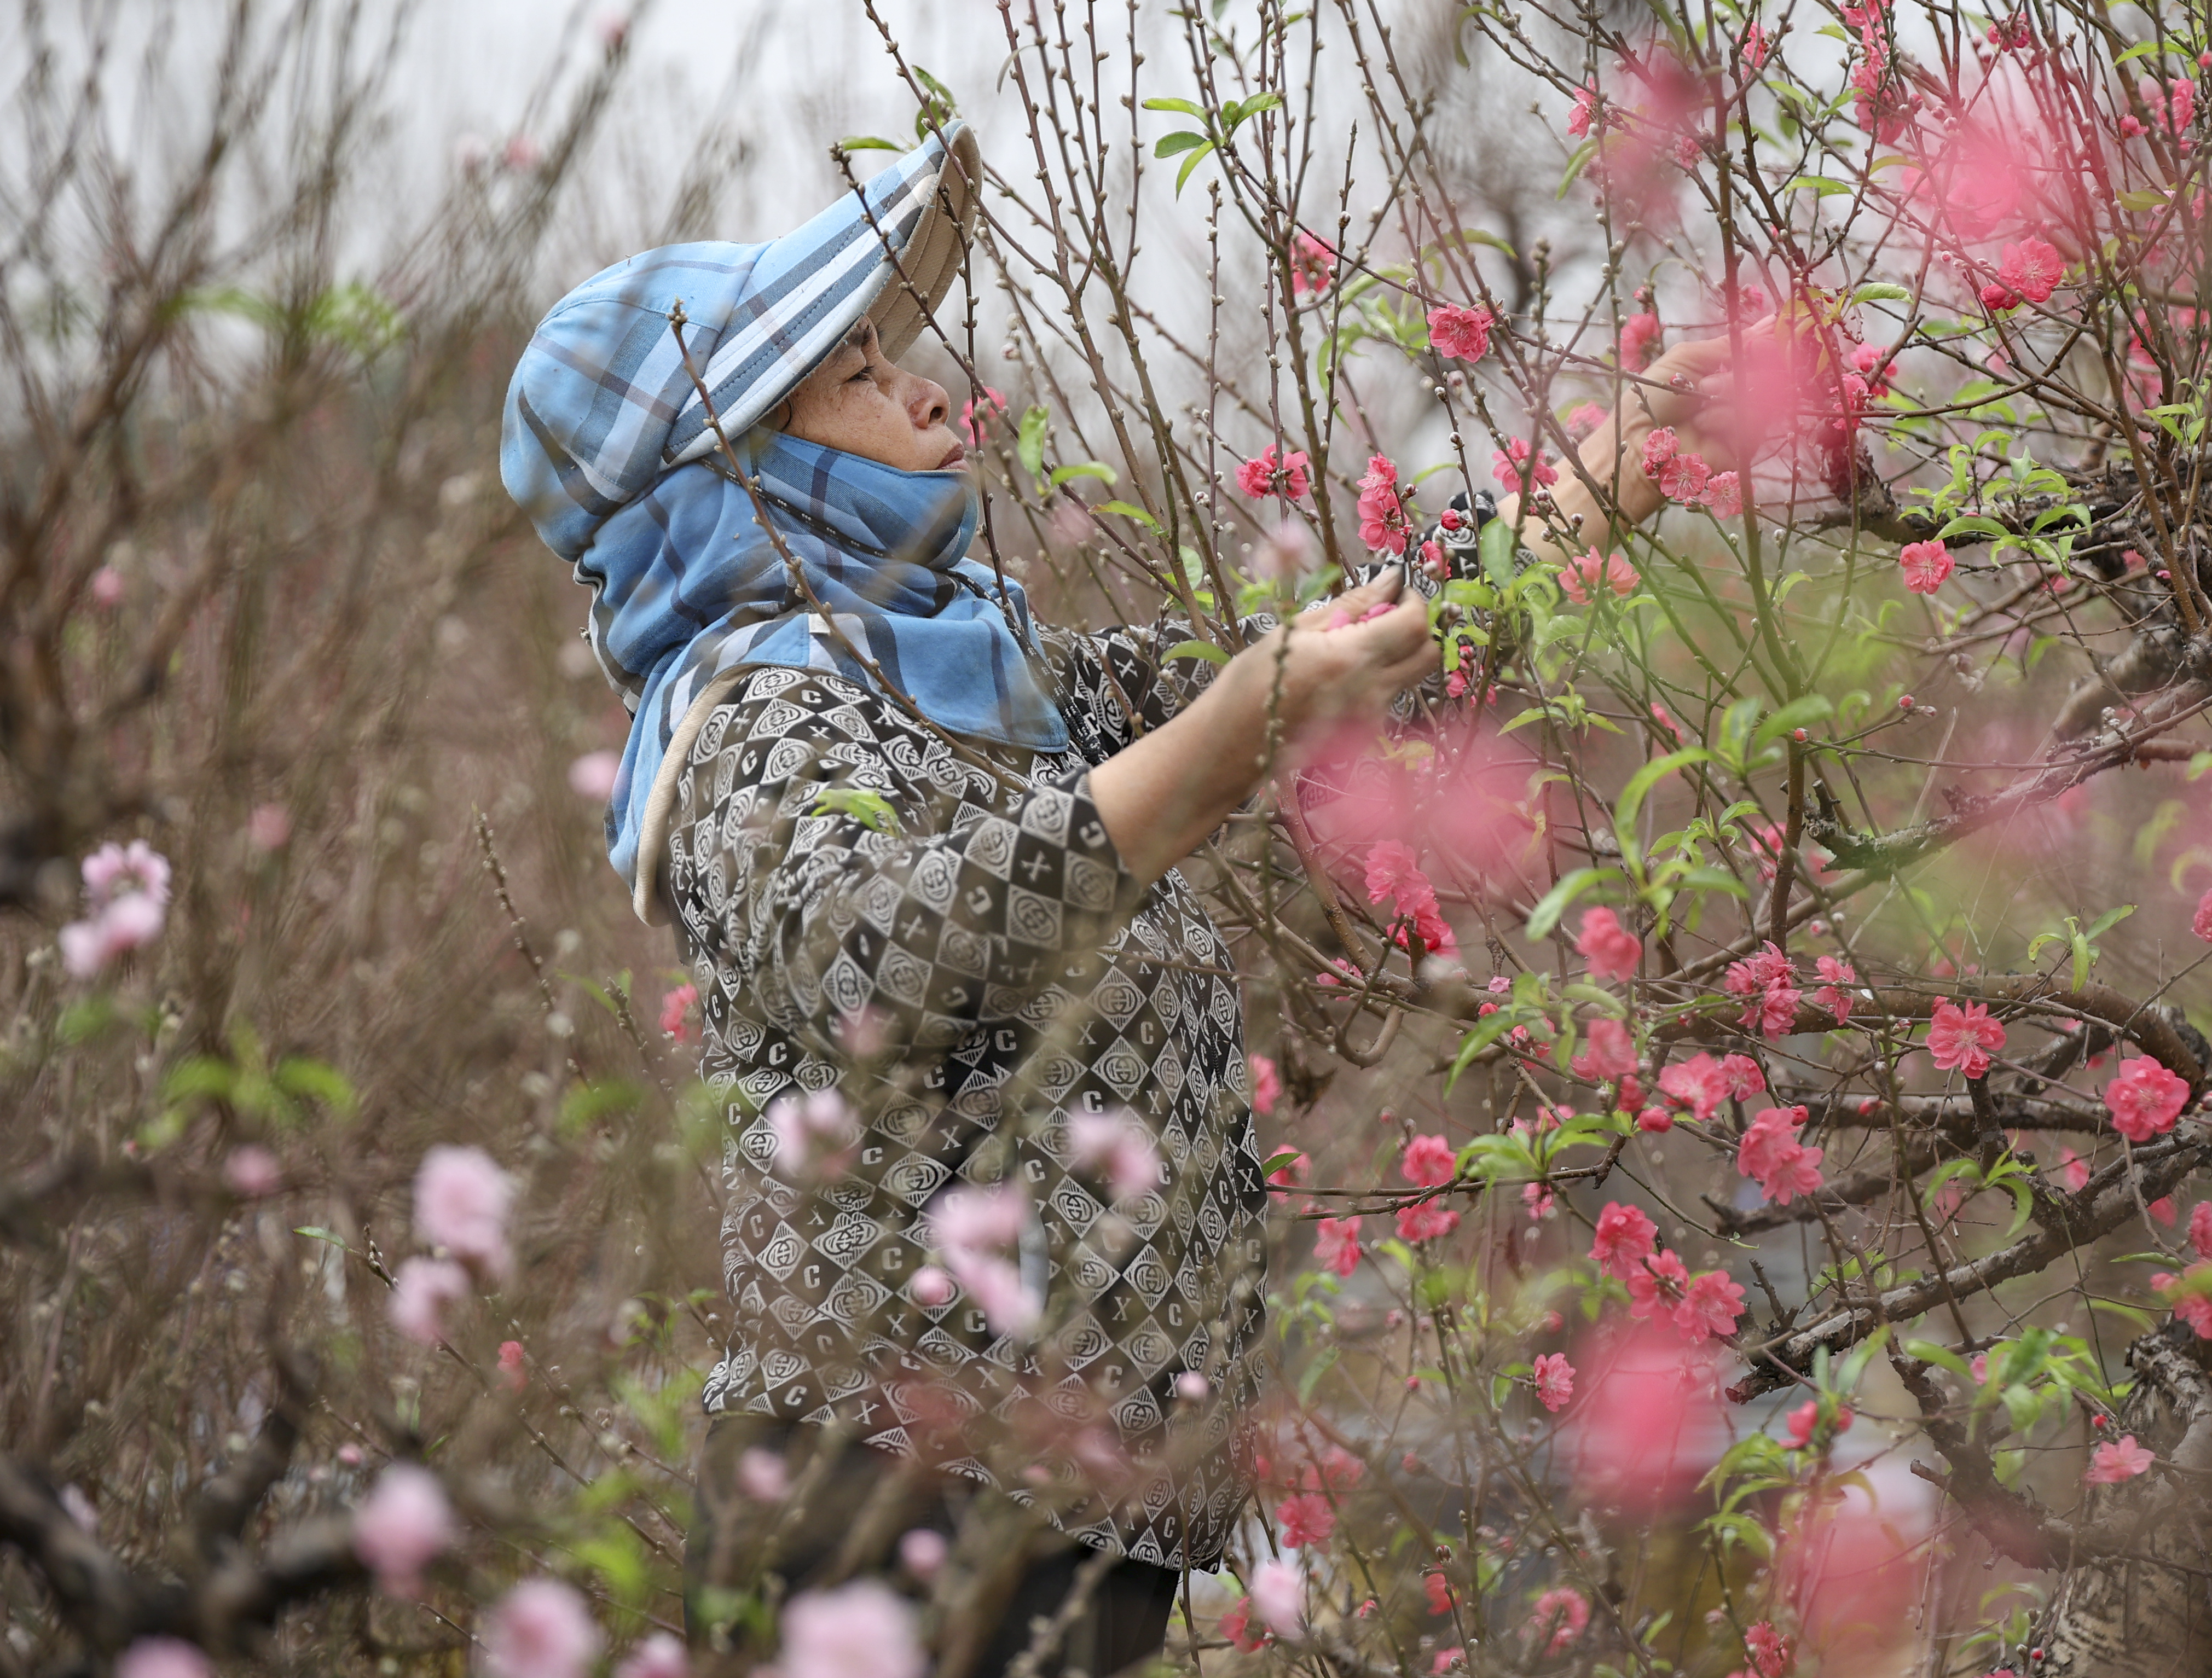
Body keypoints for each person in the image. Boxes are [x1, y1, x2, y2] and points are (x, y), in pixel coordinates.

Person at [500, 119, 1738, 1678]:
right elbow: (887, 958)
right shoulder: (751, 723)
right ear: (743, 463)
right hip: (884, 1520)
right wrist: (1215, 748)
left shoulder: (995, 693)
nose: (933, 389)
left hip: (1069, 1532)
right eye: (861, 376)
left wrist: (1581, 489)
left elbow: (1347, 666)